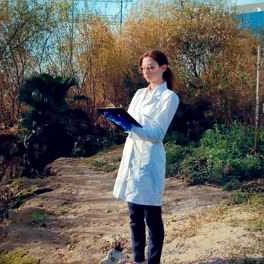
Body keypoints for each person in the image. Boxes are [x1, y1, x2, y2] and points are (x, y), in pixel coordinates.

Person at [104, 49, 179, 264]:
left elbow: (156, 135)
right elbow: (132, 123)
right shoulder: (139, 93)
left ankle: (153, 261)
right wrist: (120, 121)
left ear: (163, 68)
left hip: (150, 160)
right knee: (134, 216)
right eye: (143, 68)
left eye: (151, 68)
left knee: (152, 217)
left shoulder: (169, 97)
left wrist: (130, 126)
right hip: (132, 156)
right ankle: (138, 260)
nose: (146, 72)